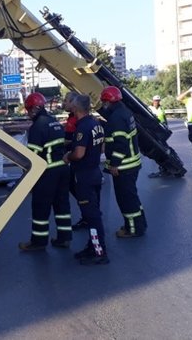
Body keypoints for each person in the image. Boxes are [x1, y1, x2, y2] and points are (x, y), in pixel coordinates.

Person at [18, 92, 72, 251]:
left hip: (47, 172)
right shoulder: (54, 122)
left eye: (28, 110)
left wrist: (25, 177)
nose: (28, 114)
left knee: (41, 208)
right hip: (62, 169)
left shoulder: (37, 126)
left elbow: (33, 156)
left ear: (34, 109)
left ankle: (38, 242)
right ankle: (64, 238)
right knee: (62, 205)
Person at [63, 94, 109, 265]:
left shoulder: (82, 127)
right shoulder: (95, 124)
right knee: (94, 214)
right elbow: (102, 147)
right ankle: (93, 246)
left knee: (92, 217)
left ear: (75, 108)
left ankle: (99, 252)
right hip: (95, 173)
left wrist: (68, 156)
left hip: (84, 177)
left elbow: (79, 153)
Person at [98, 86, 147, 238]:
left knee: (126, 200)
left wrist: (114, 164)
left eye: (104, 103)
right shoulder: (123, 112)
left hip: (124, 166)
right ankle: (140, 224)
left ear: (107, 102)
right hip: (132, 164)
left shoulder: (116, 118)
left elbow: (121, 144)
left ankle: (132, 229)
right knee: (132, 197)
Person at [62, 92, 88, 230]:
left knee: (80, 191)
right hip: (79, 163)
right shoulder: (73, 119)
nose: (64, 103)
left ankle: (88, 217)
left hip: (78, 163)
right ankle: (87, 216)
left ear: (74, 104)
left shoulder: (78, 122)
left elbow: (73, 141)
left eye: (66, 100)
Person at [147, 95, 170, 179]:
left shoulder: (161, 108)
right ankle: (162, 166)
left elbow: (164, 118)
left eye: (158, 100)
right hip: (153, 129)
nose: (157, 102)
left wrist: (166, 126)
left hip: (161, 129)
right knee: (158, 146)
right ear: (153, 101)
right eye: (155, 100)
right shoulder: (149, 108)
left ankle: (166, 160)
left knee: (164, 144)